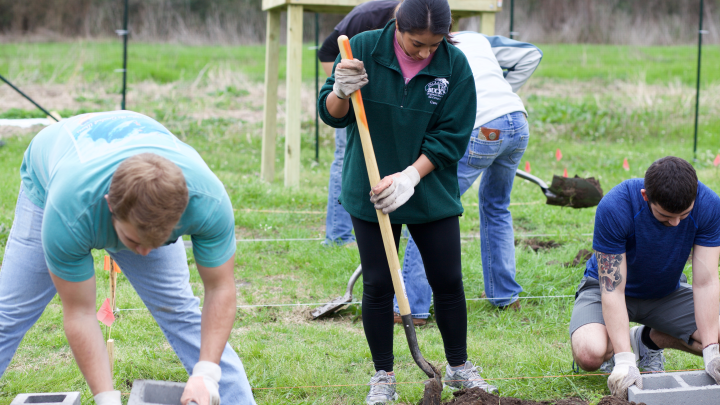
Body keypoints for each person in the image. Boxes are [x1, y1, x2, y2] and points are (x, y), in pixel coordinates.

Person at [0, 111, 256, 405]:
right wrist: (106, 399)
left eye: (160, 242)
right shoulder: (68, 213)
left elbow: (220, 288)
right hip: (54, 168)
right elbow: (80, 312)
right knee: (10, 313)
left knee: (177, 307)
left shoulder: (207, 203)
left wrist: (207, 375)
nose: (145, 253)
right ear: (111, 208)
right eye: (135, 241)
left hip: (133, 162)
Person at [318, 0, 496, 402]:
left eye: (433, 45)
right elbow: (332, 114)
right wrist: (341, 92)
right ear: (398, 25)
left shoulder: (454, 66)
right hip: (372, 188)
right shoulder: (361, 48)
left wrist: (412, 176)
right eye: (416, 43)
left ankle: (458, 368)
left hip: (428, 189)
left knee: (447, 280)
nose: (424, 53)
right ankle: (383, 377)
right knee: (379, 285)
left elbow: (452, 136)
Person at [393, 32, 543, 323]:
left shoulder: (426, 50)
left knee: (428, 208)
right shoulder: (476, 38)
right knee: (497, 207)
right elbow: (531, 55)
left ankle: (413, 308)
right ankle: (505, 296)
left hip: (482, 128)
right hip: (516, 119)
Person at [569, 156, 720, 399]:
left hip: (665, 293)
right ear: (645, 196)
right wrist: (625, 360)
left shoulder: (710, 205)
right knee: (590, 353)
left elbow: (706, 282)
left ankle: (645, 340)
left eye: (685, 214)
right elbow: (612, 289)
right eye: (665, 216)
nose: (675, 222)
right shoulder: (615, 206)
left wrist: (712, 350)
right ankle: (621, 347)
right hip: (608, 289)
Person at [318, 0, 400, 247]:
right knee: (346, 157)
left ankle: (404, 231)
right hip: (355, 96)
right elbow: (326, 52)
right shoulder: (367, 15)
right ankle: (338, 236)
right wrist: (345, 88)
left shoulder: (429, 19)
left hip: (394, 98)